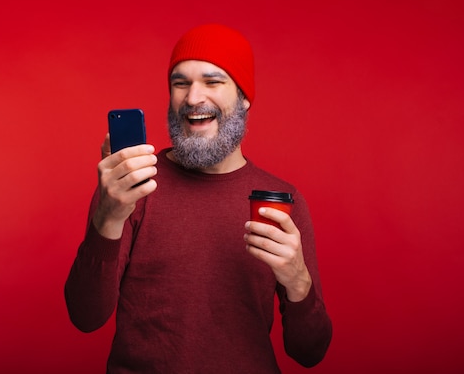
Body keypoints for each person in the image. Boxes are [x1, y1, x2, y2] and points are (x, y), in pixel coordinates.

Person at [65, 23, 332, 373]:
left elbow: (309, 352)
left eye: (213, 81)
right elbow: (86, 316)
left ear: (244, 97)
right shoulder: (131, 184)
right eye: (180, 83)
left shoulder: (283, 201)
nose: (192, 98)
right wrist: (108, 216)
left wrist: (298, 280)